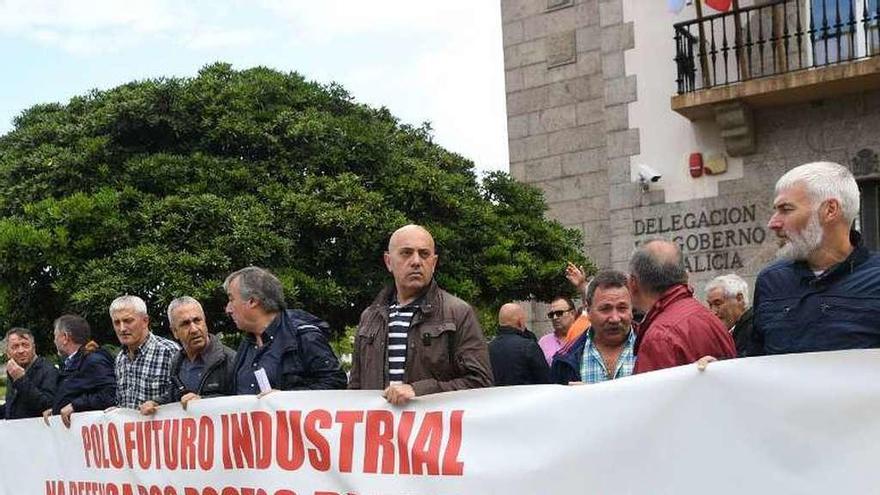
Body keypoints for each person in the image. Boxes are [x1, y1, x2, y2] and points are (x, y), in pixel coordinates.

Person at [348, 224, 493, 405]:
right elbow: (354, 388)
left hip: (435, 431)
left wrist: (419, 391)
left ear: (433, 263)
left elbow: (481, 382)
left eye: (424, 254)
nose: (416, 261)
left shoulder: (458, 313)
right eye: (406, 253)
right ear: (388, 261)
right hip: (379, 431)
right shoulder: (369, 317)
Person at [750, 161, 880, 354]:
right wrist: (716, 370)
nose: (773, 223)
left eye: (786, 209)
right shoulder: (770, 281)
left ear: (830, 210)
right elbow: (753, 360)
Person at [224, 266, 347, 394]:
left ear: (253, 301)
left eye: (231, 299)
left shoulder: (304, 336)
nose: (228, 309)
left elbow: (335, 383)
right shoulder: (247, 343)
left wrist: (287, 399)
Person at [628, 240, 736, 373]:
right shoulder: (710, 319)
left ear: (633, 284)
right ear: (685, 276)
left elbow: (650, 393)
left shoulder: (660, 338)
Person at [140, 297, 235, 415]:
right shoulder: (177, 362)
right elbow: (173, 397)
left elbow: (242, 403)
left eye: (197, 320)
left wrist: (203, 402)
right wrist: (155, 404)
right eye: (185, 324)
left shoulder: (229, 359)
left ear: (205, 322)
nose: (194, 329)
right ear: (174, 331)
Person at [550, 270, 636, 384]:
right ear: (588, 311)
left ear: (632, 310)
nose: (615, 318)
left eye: (622, 308)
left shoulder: (655, 347)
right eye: (605, 309)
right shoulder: (564, 360)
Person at [44, 315, 116, 428]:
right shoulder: (74, 362)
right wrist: (55, 410)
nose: (54, 341)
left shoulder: (93, 360)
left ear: (65, 337)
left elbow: (110, 394)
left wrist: (75, 405)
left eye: (55, 336)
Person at [110, 295, 180, 410]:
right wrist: (116, 412)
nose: (122, 328)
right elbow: (124, 403)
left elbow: (181, 397)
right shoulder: (120, 359)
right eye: (117, 322)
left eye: (128, 321)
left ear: (145, 321)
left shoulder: (169, 351)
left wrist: (157, 403)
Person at [1, 328, 58, 420]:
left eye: (25, 345)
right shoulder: (13, 370)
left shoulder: (48, 370)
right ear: (8, 353)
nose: (21, 350)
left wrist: (20, 380)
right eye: (15, 347)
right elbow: (15, 405)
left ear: (34, 348)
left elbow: (47, 404)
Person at [488, 303, 550, 386]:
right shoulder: (528, 347)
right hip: (526, 397)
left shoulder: (488, 349)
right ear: (520, 322)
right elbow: (546, 381)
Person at [705, 274, 753, 357]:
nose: (713, 312)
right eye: (710, 305)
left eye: (718, 304)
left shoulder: (754, 329)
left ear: (739, 299)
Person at [539, 296, 578, 365]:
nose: (555, 317)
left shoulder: (585, 338)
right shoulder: (543, 342)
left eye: (559, 313)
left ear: (572, 313)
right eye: (551, 315)